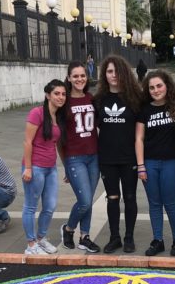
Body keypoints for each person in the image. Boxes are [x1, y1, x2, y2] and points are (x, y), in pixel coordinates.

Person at [94, 55, 143, 253]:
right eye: (109, 71)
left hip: (129, 157)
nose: (113, 75)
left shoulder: (135, 98)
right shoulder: (98, 100)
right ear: (104, 75)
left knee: (130, 197)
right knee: (112, 198)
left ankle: (129, 237)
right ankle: (115, 237)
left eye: (116, 71)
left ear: (124, 72)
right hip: (107, 158)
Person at [135, 70, 175, 257]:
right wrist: (141, 166)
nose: (155, 90)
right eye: (152, 87)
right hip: (150, 162)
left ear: (167, 86)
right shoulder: (145, 109)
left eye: (159, 86)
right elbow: (138, 138)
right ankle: (158, 240)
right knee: (154, 203)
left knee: (170, 203)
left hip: (172, 162)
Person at [21, 79, 67, 255]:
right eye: (57, 93)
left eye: (63, 94)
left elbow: (57, 144)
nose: (60, 97)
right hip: (36, 167)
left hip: (51, 168)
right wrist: (28, 167)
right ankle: (31, 245)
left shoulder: (58, 116)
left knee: (50, 206)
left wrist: (64, 167)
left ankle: (41, 238)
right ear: (48, 95)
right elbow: (27, 141)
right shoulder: (37, 113)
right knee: (31, 206)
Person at [59, 61, 101, 253]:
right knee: (84, 200)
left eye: (82, 75)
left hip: (94, 156)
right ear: (69, 78)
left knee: (89, 199)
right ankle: (68, 229)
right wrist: (65, 165)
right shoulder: (64, 102)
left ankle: (85, 236)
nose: (79, 79)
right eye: (75, 76)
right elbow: (59, 139)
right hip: (74, 157)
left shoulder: (92, 99)